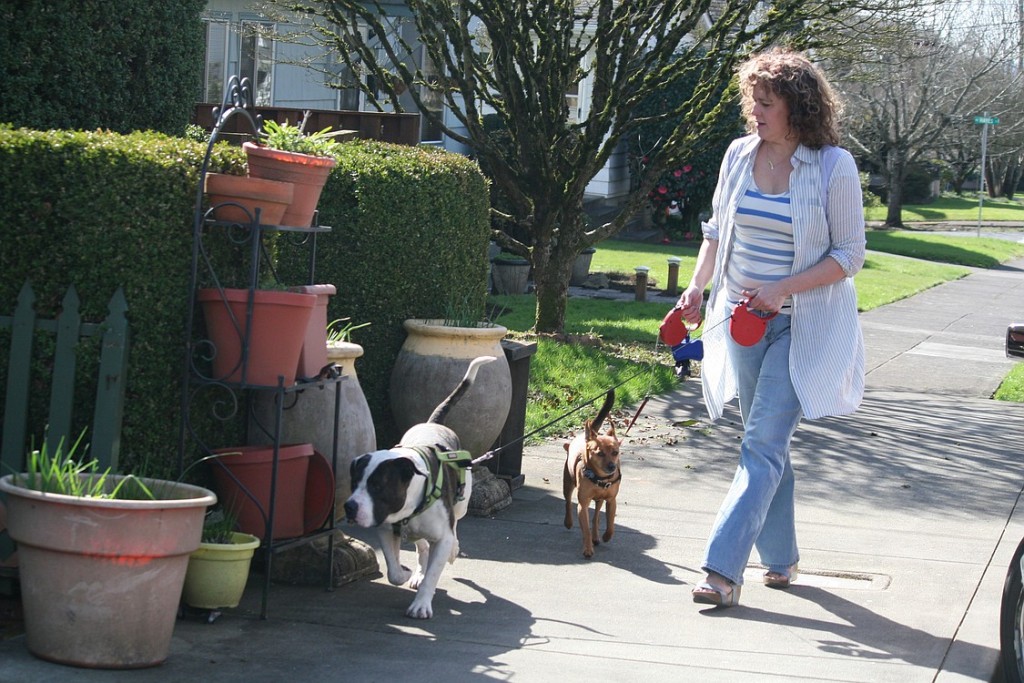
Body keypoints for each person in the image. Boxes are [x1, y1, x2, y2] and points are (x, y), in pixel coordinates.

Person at [676, 47, 866, 608]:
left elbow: (850, 254)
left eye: (767, 102)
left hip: (801, 327)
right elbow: (715, 232)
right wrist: (697, 287)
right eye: (752, 101)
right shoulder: (738, 155)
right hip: (742, 325)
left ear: (798, 107)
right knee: (765, 442)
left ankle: (721, 571)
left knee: (760, 445)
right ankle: (781, 561)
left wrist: (783, 288)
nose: (755, 112)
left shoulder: (834, 167)